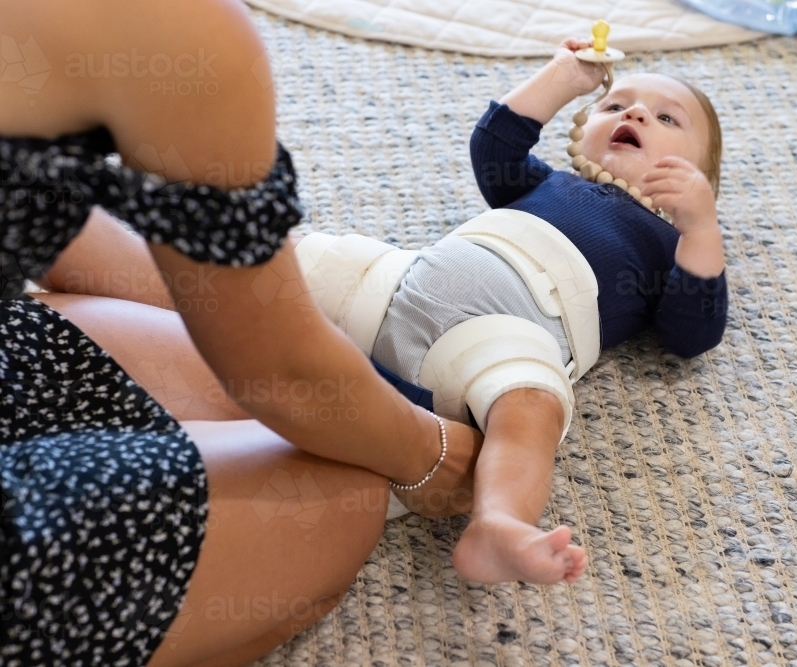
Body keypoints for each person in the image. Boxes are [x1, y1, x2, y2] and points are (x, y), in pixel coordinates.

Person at [28, 38, 729, 590]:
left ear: (702, 178)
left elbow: (691, 331)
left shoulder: (668, 241)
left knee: (532, 408)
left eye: (667, 119)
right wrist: (561, 78)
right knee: (279, 263)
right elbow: (496, 149)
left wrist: (700, 229)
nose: (633, 114)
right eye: (618, 105)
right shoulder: (549, 183)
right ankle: (113, 274)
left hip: (506, 334)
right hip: (396, 281)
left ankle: (499, 521)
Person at [0, 2, 481, 666]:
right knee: (340, 494)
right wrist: (435, 456)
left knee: (247, 396)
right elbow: (283, 376)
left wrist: (256, 309)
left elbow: (58, 232)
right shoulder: (167, 31)